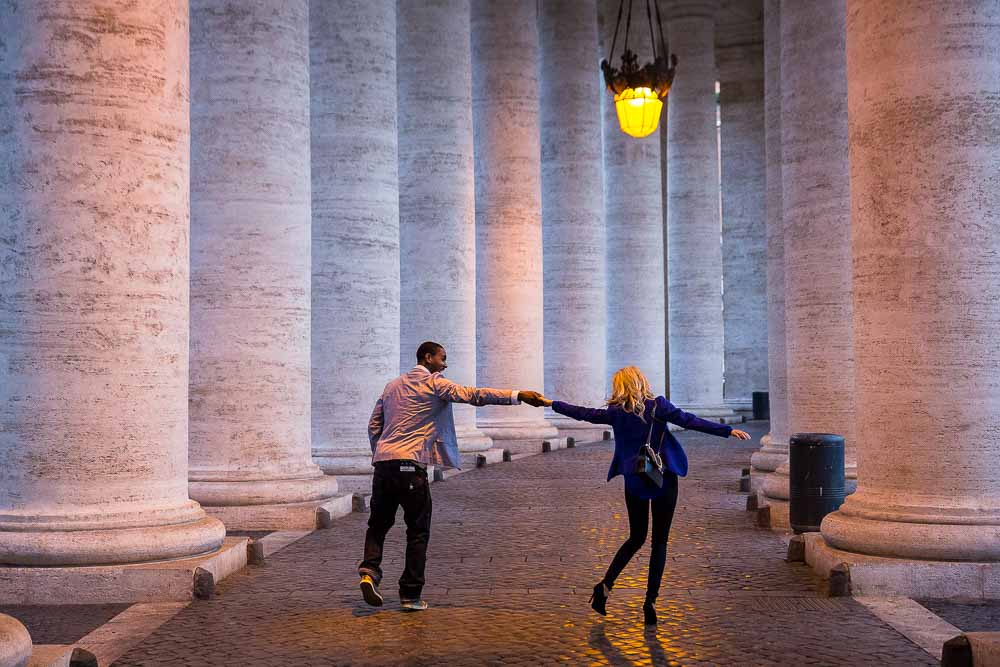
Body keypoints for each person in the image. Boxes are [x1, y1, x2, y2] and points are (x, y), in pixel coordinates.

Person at [533, 366, 750, 626]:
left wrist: (549, 403)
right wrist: (726, 431)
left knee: (636, 537)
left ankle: (604, 586)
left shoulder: (616, 412)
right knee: (660, 541)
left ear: (619, 386)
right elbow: (691, 421)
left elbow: (583, 414)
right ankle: (650, 602)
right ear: (642, 382)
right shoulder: (658, 406)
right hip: (663, 476)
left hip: (635, 479)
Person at [360, 340, 545, 611]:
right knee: (418, 531)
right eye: (442, 358)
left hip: (384, 465)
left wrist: (382, 453)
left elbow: (374, 424)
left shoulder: (392, 386)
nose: (445, 364)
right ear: (428, 357)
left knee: (378, 524)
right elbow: (474, 395)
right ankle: (410, 595)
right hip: (412, 467)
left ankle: (369, 571)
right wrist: (517, 395)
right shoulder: (436, 384)